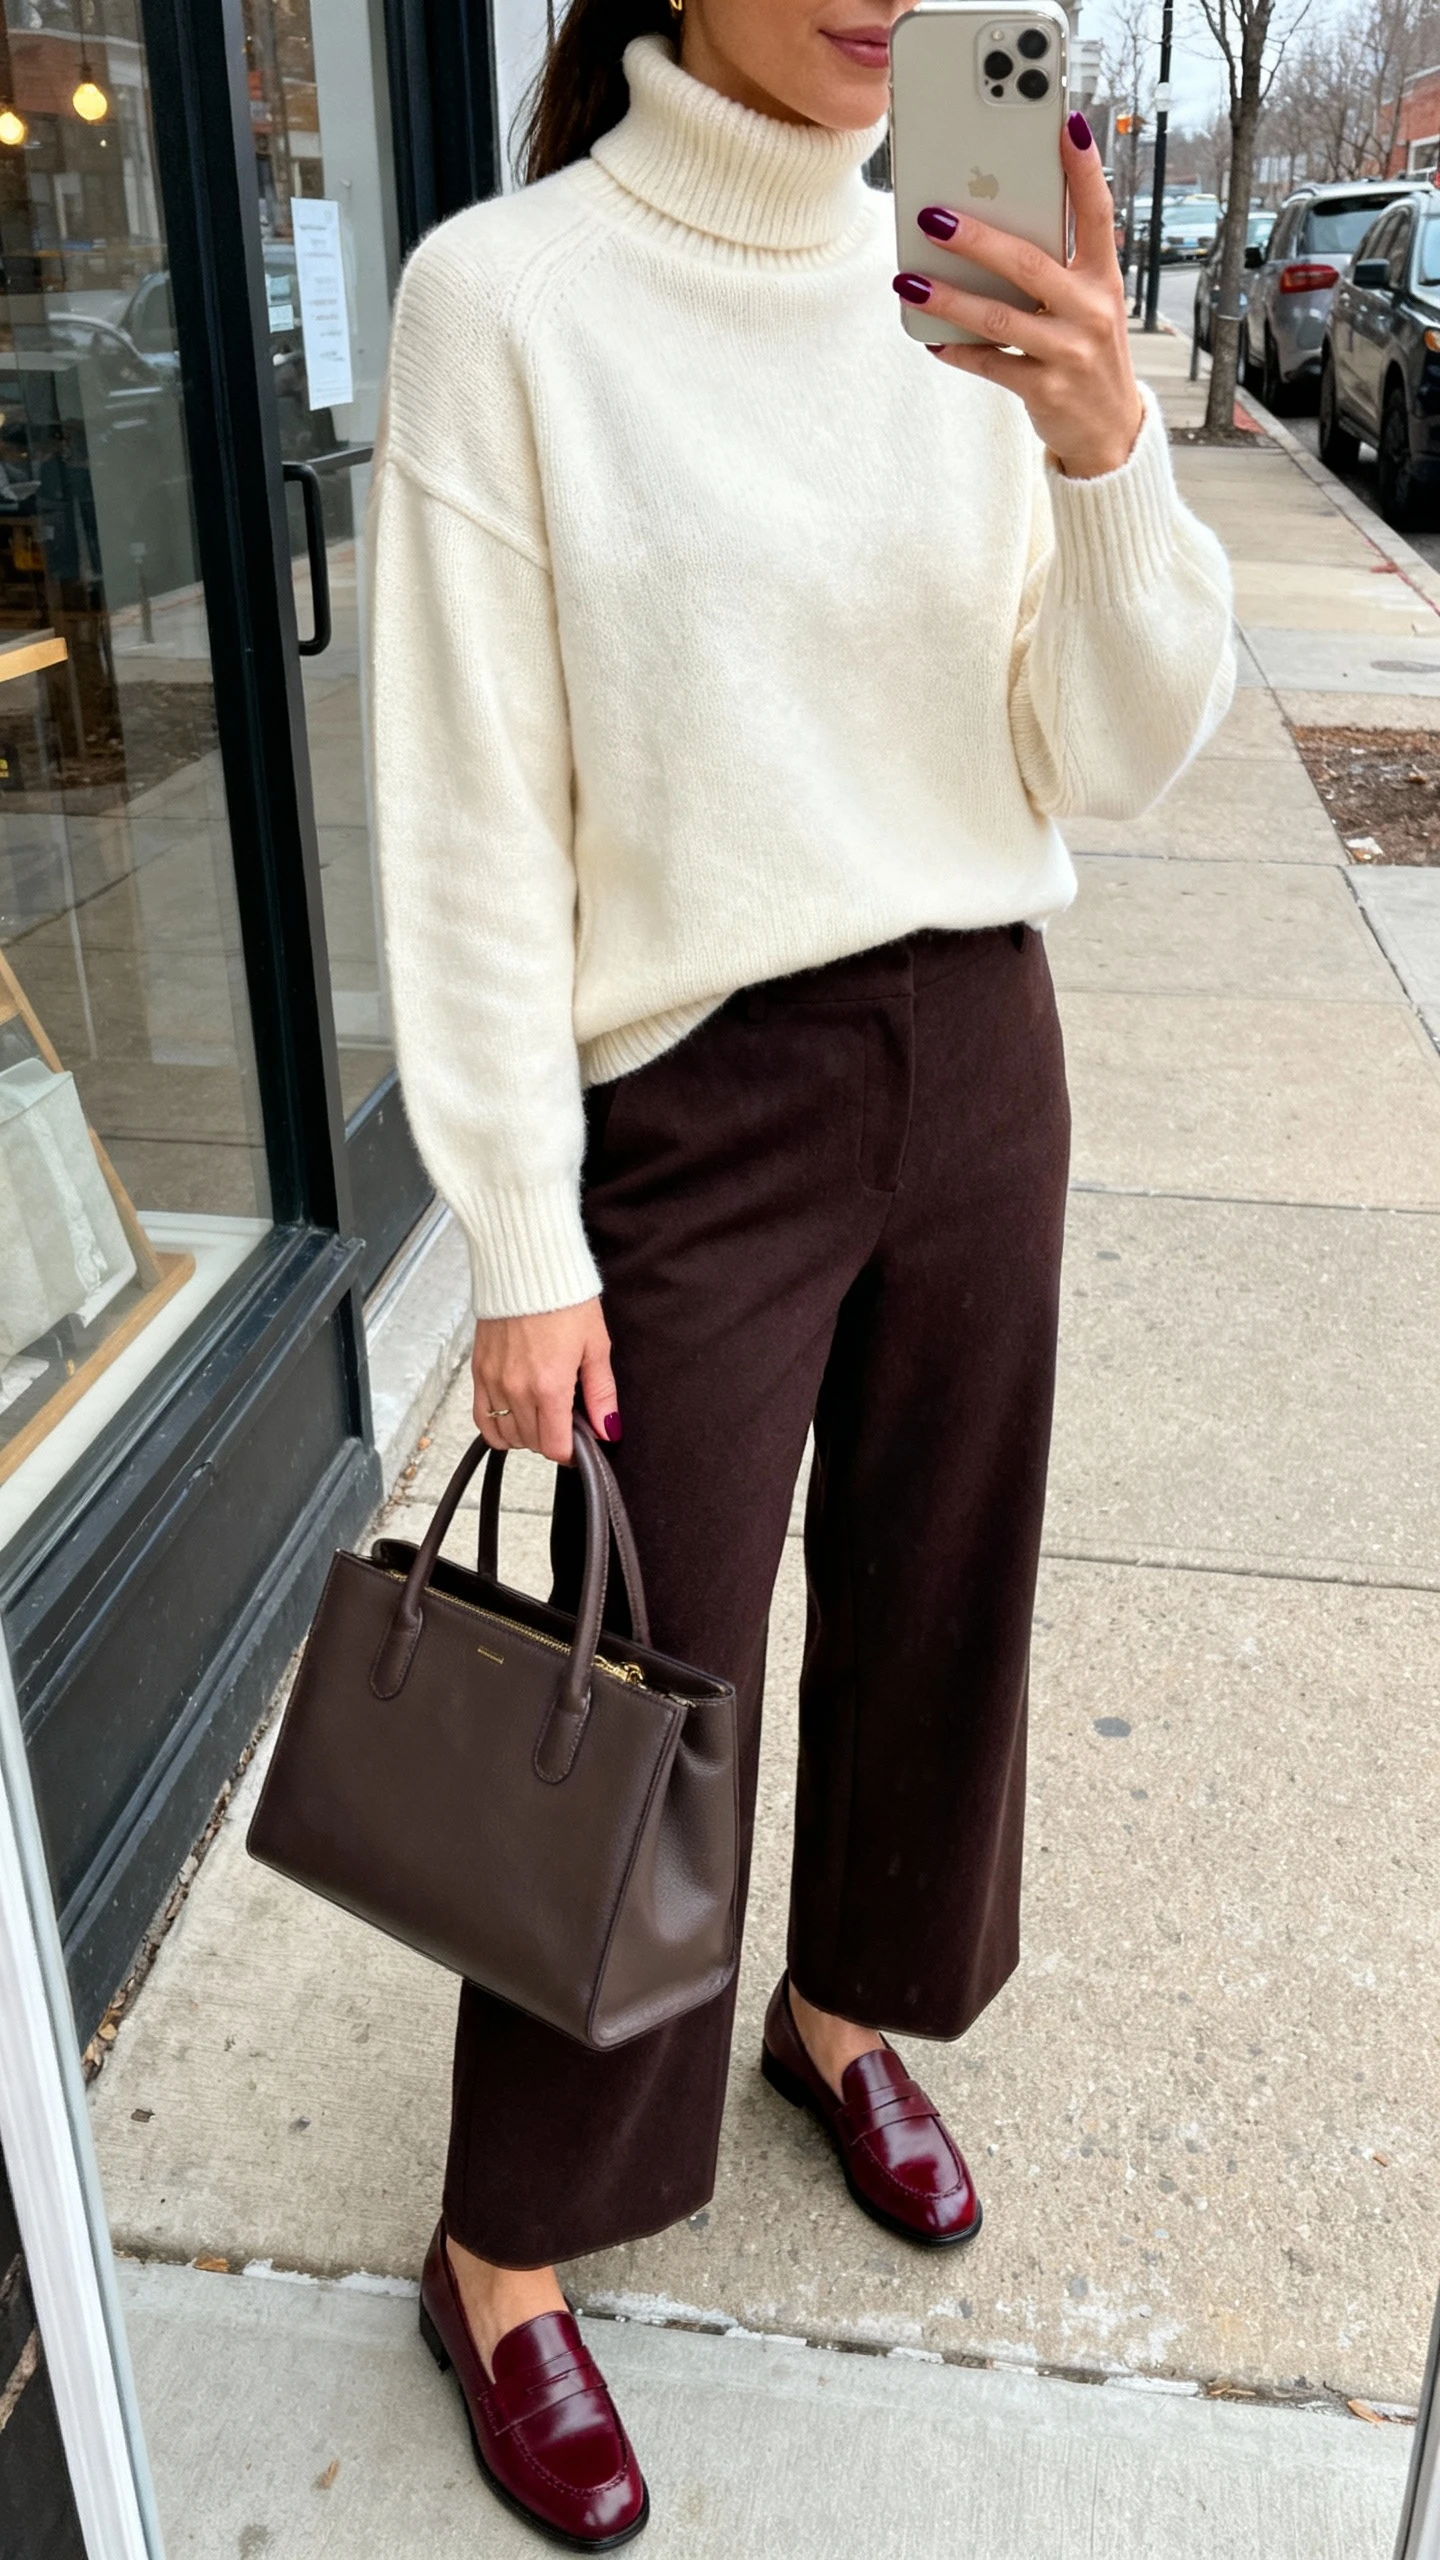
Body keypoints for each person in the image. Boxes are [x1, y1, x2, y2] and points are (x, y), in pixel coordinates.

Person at [368, 0, 1234, 2542]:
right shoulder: (506, 298)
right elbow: (462, 807)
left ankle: (838, 2007)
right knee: (643, 1684)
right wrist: (520, 1226)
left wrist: (1107, 461)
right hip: (698, 1100)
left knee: (946, 1599)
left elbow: (1117, 747)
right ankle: (505, 2243)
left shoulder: (961, 278)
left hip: (983, 1036)